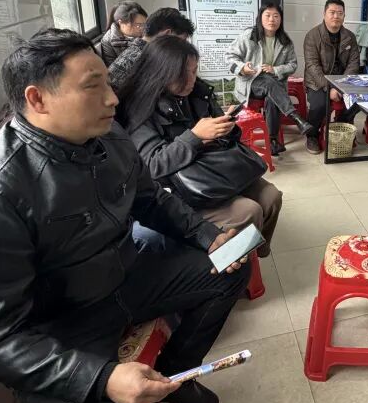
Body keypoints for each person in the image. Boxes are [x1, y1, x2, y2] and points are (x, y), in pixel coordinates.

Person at [0, 29, 250, 403]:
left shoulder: (107, 136)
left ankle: (176, 374)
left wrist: (206, 236)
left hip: (126, 275)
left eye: (108, 82)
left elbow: (150, 199)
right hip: (62, 325)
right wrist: (101, 378)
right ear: (37, 99)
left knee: (231, 264)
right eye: (93, 86)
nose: (112, 98)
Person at [119, 36, 283, 255]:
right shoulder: (141, 110)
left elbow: (227, 136)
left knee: (272, 197)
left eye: (194, 71)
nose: (191, 80)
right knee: (248, 211)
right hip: (181, 186)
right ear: (161, 73)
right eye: (182, 74)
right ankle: (232, 261)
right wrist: (195, 137)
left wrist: (227, 128)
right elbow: (152, 166)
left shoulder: (199, 92)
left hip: (213, 168)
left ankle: (255, 252)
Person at [226, 3, 314, 154]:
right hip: (250, 84)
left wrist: (275, 69)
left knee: (272, 93)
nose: (271, 19)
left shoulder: (285, 41)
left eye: (276, 16)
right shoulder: (249, 36)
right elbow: (230, 57)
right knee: (269, 83)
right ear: (260, 18)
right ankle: (296, 118)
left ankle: (272, 140)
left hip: (273, 86)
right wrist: (243, 68)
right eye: (267, 15)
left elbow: (293, 65)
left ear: (280, 19)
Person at [302, 0, 361, 154]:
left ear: (344, 16)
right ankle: (312, 135)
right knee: (319, 105)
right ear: (324, 14)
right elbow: (312, 66)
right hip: (317, 82)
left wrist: (341, 87)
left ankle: (340, 125)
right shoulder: (312, 36)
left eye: (340, 13)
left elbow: (354, 64)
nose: (336, 16)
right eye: (332, 12)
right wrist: (330, 88)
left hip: (343, 81)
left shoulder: (350, 37)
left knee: (359, 100)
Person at [108, 7, 195, 91]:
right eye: (181, 41)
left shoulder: (134, 50)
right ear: (167, 34)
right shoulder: (150, 59)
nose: (181, 47)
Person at [98, 1, 147, 66]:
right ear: (121, 23)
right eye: (138, 25)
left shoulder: (145, 33)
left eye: (144, 24)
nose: (142, 28)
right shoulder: (107, 41)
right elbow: (112, 69)